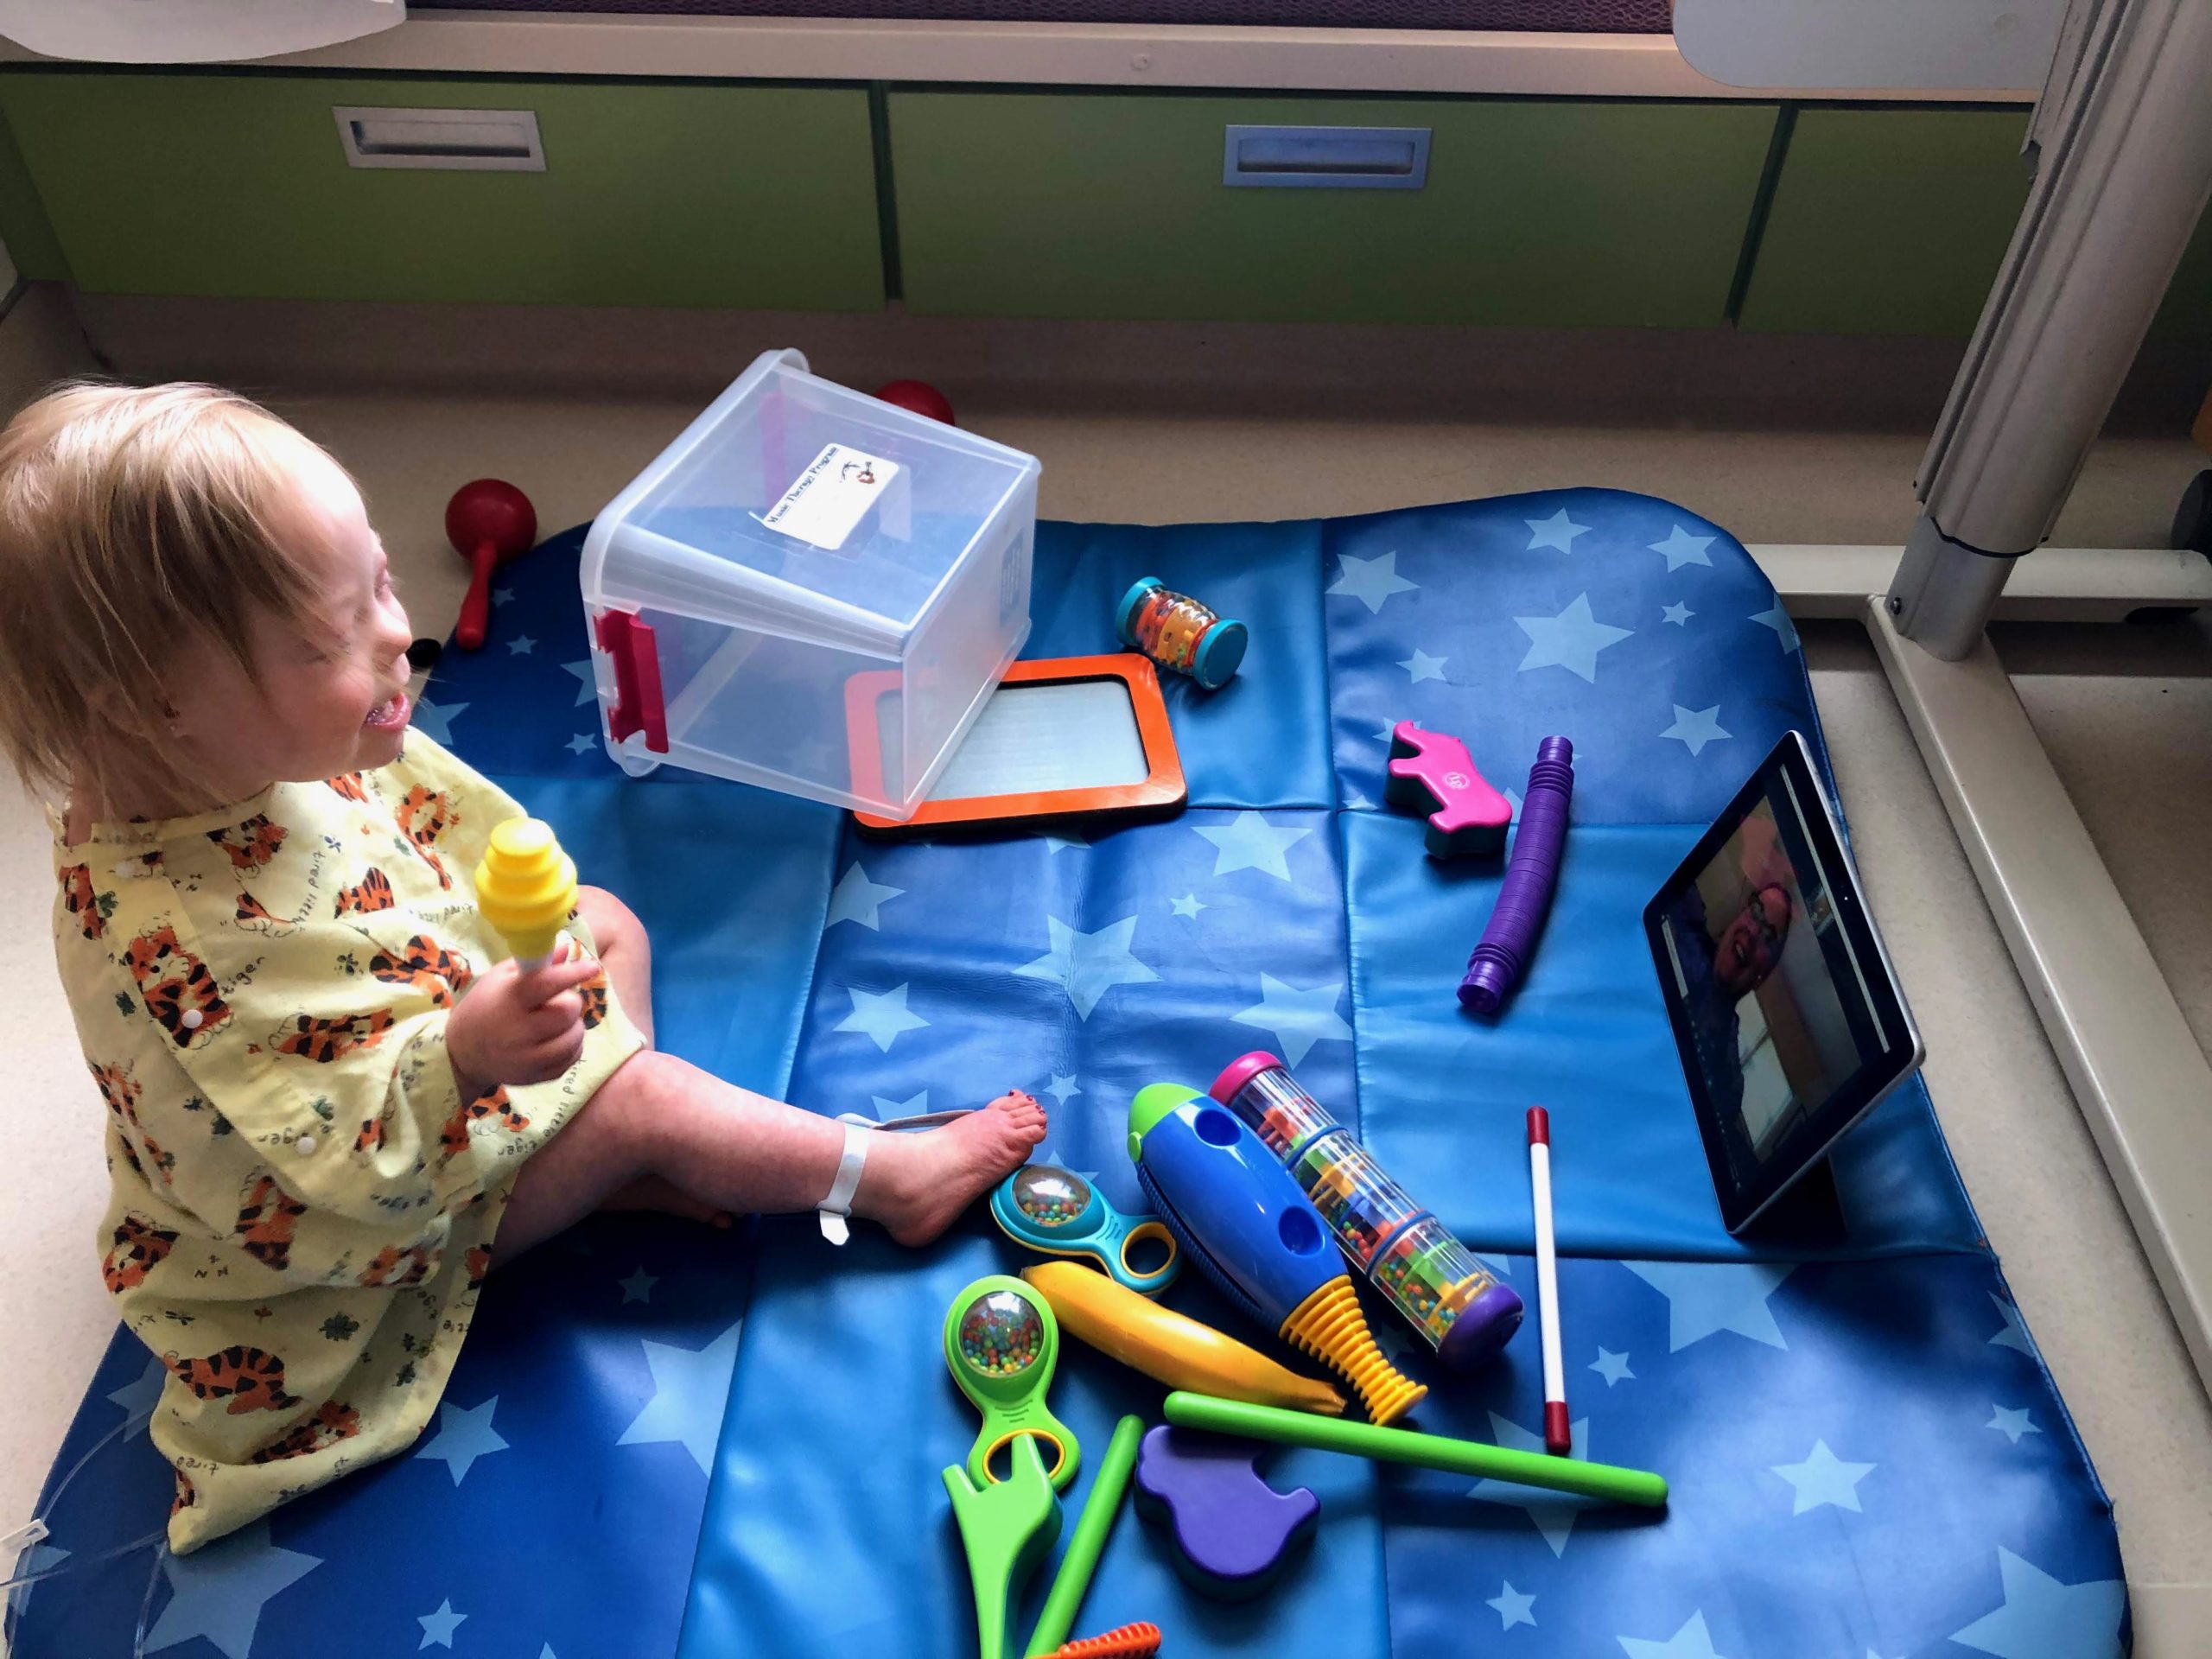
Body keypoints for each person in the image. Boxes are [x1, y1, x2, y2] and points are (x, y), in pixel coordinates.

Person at [0, 383, 1048, 1553]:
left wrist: (487, 1011)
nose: (400, 635)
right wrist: (464, 1055)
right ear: (159, 707)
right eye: (331, 636)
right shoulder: (188, 948)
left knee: (608, 921)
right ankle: (886, 1181)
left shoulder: (202, 767)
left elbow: (373, 910)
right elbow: (338, 1145)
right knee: (645, 1096)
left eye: (383, 584)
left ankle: (609, 1163)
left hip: (405, 1082)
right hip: (357, 1255)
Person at [1664, 879, 1792, 1126]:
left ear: (1762, 976)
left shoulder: (1728, 1084)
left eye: (1768, 935)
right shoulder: (1684, 929)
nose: (1754, 931)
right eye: (1755, 910)